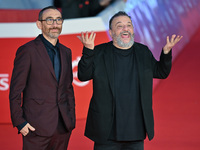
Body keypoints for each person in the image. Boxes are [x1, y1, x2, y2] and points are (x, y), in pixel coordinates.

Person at [77, 11, 182, 150]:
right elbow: (83, 75)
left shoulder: (143, 51)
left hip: (135, 129)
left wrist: (166, 53)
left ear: (132, 29)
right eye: (120, 26)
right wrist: (88, 51)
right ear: (111, 32)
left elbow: (161, 72)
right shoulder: (99, 52)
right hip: (107, 130)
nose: (125, 29)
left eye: (128, 25)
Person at [9, 6, 75, 150]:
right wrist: (19, 122)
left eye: (58, 20)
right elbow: (15, 89)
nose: (55, 24)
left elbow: (68, 88)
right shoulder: (27, 51)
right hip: (35, 126)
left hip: (63, 126)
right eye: (50, 20)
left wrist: (71, 119)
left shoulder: (66, 52)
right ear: (39, 24)